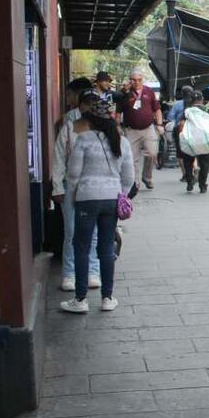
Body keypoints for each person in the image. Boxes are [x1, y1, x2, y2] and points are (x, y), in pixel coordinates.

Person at [60, 96, 135, 314]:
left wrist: (72, 197)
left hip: (87, 199)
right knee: (105, 248)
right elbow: (129, 177)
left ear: (91, 119)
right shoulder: (122, 141)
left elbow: (73, 174)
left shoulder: (83, 139)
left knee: (81, 247)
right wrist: (122, 196)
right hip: (111, 200)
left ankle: (81, 299)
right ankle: (107, 298)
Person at [51, 79, 100, 292]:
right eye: (86, 103)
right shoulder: (69, 128)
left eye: (93, 104)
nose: (89, 107)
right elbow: (59, 158)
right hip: (70, 186)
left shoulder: (103, 129)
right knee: (71, 231)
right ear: (79, 106)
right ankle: (70, 274)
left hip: (94, 187)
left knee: (94, 231)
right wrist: (57, 188)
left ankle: (93, 271)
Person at [117, 69, 164, 190]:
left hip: (148, 129)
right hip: (131, 130)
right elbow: (118, 112)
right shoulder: (125, 94)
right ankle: (135, 183)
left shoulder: (149, 92)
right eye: (134, 80)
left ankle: (147, 178)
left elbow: (157, 109)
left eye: (139, 80)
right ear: (130, 80)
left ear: (142, 80)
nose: (137, 82)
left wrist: (159, 124)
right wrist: (117, 127)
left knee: (152, 153)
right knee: (132, 159)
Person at [175, 88, 209, 193]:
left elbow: (181, 124)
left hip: (190, 140)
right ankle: (202, 185)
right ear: (202, 99)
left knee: (188, 161)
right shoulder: (206, 110)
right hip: (202, 141)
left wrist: (182, 136)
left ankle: (190, 181)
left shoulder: (187, 111)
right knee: (204, 163)